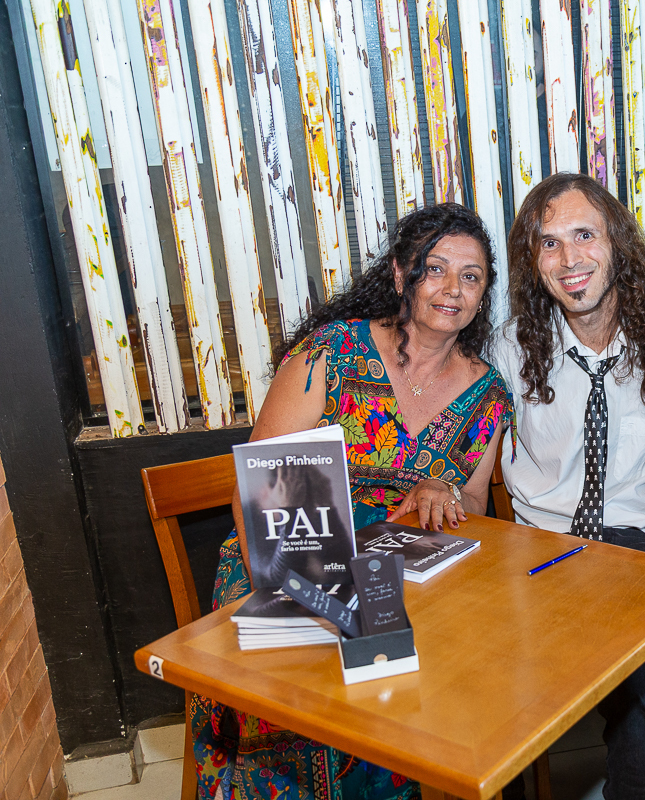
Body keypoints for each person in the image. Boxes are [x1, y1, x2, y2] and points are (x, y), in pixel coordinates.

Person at [191, 204, 515, 799]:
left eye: (471, 276)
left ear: (485, 291)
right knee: (313, 684)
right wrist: (310, 583)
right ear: (400, 275)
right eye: (434, 269)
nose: (452, 289)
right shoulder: (332, 353)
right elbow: (262, 489)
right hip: (291, 555)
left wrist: (443, 493)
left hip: (403, 572)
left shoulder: (489, 393)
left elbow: (474, 507)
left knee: (438, 666)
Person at [490, 172, 645, 799]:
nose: (569, 260)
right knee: (489, 681)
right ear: (532, 262)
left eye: (584, 235)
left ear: (617, 243)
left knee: (639, 667)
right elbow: (467, 458)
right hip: (539, 543)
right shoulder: (508, 352)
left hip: (642, 543)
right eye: (548, 243)